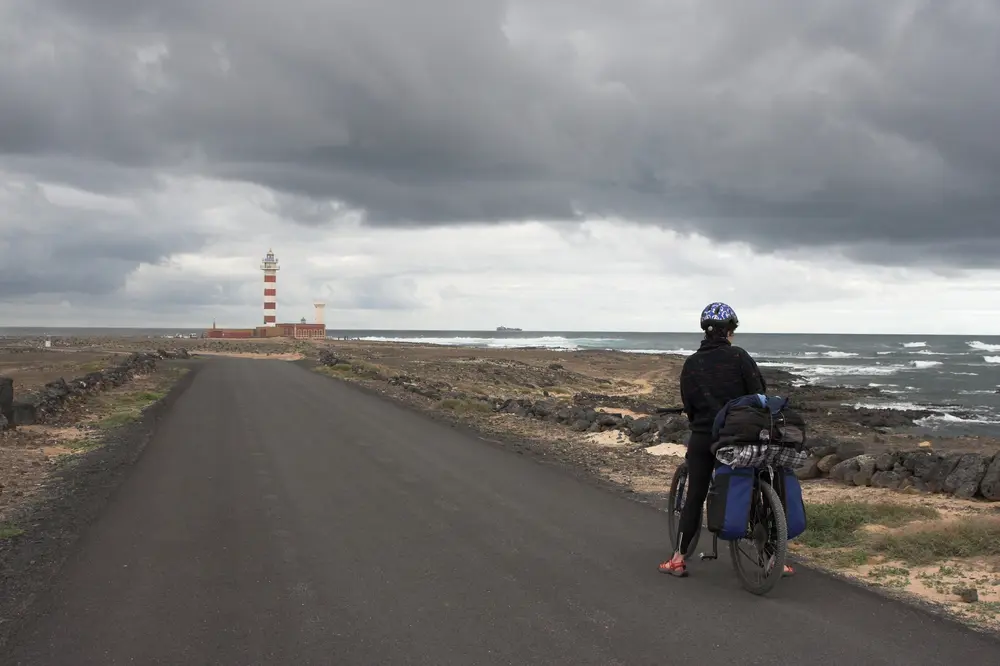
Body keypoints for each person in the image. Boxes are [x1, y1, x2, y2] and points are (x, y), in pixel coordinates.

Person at [658, 302, 792, 578]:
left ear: (706, 333)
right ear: (729, 331)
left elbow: (690, 404)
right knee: (758, 480)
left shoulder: (692, 363)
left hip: (705, 436)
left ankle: (678, 558)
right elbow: (759, 394)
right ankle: (772, 557)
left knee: (696, 492)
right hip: (740, 436)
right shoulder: (739, 357)